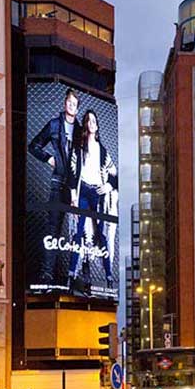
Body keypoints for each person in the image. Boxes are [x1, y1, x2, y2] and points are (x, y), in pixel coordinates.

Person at [29, 88, 82, 285]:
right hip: (58, 184)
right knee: (53, 231)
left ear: (77, 109)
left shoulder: (80, 130)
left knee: (80, 232)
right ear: (64, 104)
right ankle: (47, 273)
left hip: (76, 187)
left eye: (74, 104)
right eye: (69, 102)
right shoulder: (53, 125)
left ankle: (77, 276)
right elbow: (33, 145)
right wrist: (48, 158)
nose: (71, 106)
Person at [68, 109, 118, 292]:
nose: (91, 123)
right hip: (83, 190)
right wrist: (73, 194)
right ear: (85, 124)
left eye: (94, 121)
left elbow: (115, 174)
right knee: (78, 232)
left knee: (100, 234)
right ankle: (72, 272)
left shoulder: (103, 151)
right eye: (88, 120)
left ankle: (108, 275)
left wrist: (108, 186)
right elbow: (72, 173)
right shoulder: (79, 149)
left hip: (96, 192)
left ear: (97, 126)